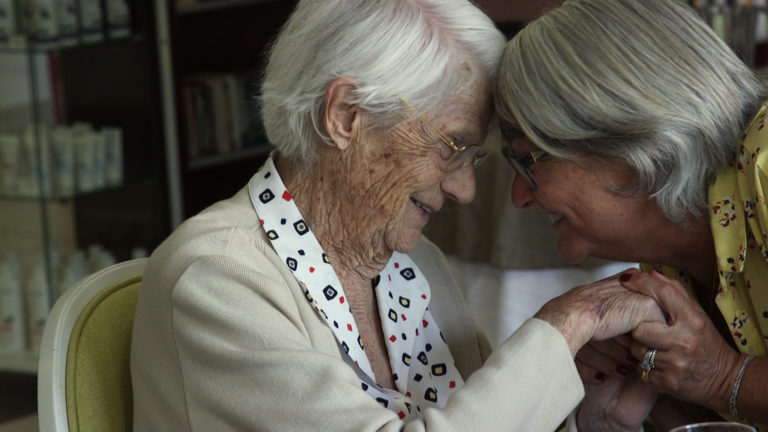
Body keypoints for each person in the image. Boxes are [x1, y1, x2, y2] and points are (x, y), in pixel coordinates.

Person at [130, 0, 663, 430]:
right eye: (451, 145)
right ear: (345, 116)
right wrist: (563, 327)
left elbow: (477, 419)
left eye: (472, 156)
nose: (465, 188)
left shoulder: (415, 266)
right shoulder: (217, 279)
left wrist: (588, 418)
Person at [495, 0, 768, 430]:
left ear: (628, 131)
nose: (519, 196)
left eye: (528, 160)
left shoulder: (766, 163)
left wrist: (726, 378)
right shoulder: (669, 268)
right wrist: (623, 414)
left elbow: (727, 384)